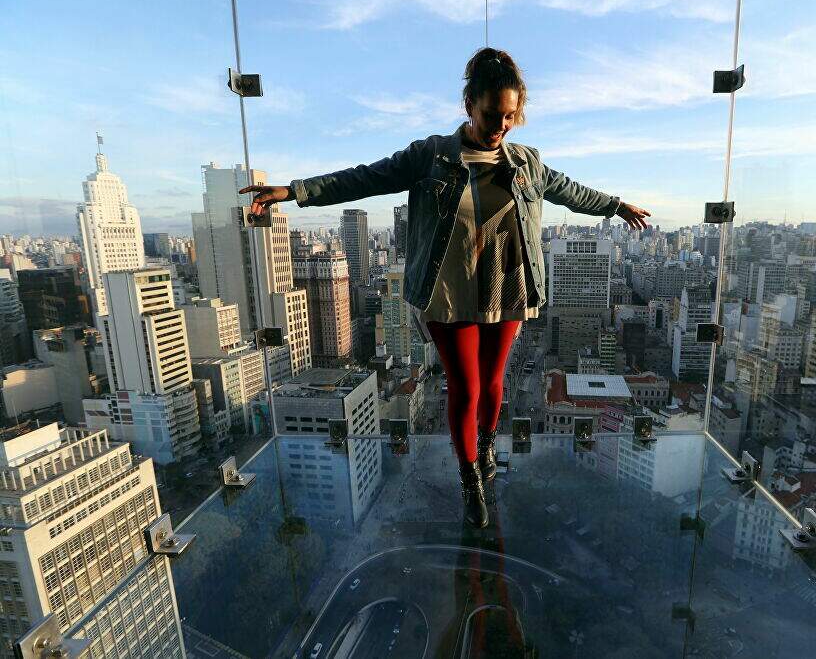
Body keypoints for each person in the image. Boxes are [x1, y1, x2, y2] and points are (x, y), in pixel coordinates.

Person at [240, 47, 651, 529]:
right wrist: (295, 191)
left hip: (506, 286)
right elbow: (365, 177)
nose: (502, 126)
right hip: (448, 290)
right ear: (469, 105)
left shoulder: (527, 162)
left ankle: (485, 444)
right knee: (465, 385)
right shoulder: (431, 155)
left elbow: (571, 190)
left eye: (511, 116)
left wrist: (617, 206)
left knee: (494, 385)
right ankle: (470, 475)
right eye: (493, 115)